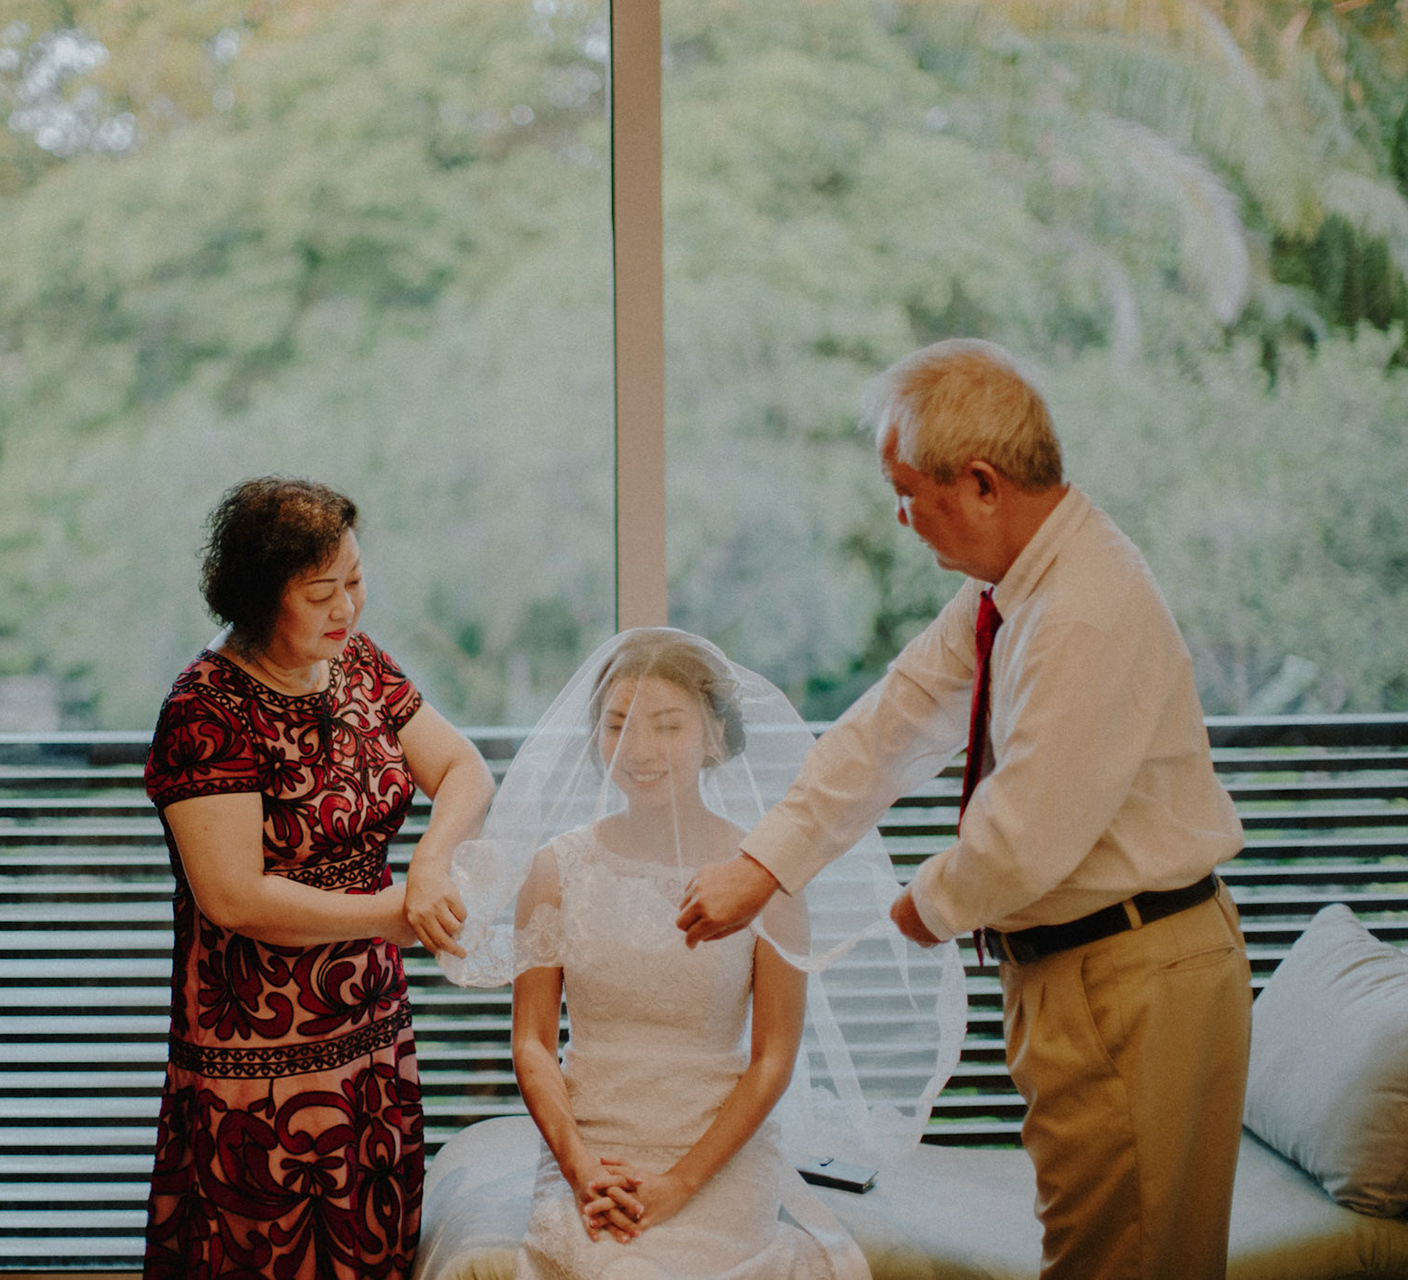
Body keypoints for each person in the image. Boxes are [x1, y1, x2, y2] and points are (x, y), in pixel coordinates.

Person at [676, 339, 1252, 1280]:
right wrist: (762, 861)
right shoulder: (1014, 587)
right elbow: (891, 723)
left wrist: (922, 906)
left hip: (1130, 973)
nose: (900, 517)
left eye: (907, 491)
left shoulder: (1081, 608)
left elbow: (1024, 836)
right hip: (1090, 968)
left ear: (982, 484)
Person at [443, 628, 964, 1280]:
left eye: (667, 726)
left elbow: (773, 1057)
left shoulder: (763, 878)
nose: (639, 749)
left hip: (719, 1150)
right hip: (590, 1142)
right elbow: (532, 1043)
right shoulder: (554, 871)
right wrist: (579, 1167)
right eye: (618, 725)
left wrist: (682, 1183)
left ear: (714, 735)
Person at [141, 476, 495, 1279]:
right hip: (259, 1063)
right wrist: (389, 913)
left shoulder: (356, 662)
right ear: (262, 597)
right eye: (321, 591)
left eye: (356, 580)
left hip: (373, 1038)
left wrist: (429, 864)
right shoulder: (205, 706)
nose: (348, 607)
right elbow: (233, 897)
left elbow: (464, 769)